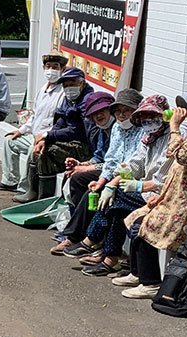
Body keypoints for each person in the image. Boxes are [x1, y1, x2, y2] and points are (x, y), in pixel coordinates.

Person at [113, 88, 187, 298]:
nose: (186, 112)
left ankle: (150, 281)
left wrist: (174, 127)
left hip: (185, 200)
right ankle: (138, 273)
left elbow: (180, 155)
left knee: (144, 226)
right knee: (136, 220)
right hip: (170, 194)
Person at [64, 95, 183, 277]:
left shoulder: (172, 138)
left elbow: (162, 179)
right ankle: (109, 258)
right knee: (114, 204)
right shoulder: (149, 137)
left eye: (152, 115)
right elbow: (134, 162)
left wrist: (134, 185)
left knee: (116, 198)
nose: (147, 120)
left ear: (165, 115)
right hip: (143, 188)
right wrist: (113, 181)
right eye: (143, 116)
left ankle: (92, 240)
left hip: (159, 193)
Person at [50, 89, 144, 255]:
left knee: (97, 194)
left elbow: (133, 164)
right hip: (115, 173)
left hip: (132, 178)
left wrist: (107, 182)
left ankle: (82, 239)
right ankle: (85, 235)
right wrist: (97, 177)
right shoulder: (115, 129)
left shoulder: (141, 131)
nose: (121, 115)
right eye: (119, 111)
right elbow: (108, 158)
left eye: (126, 111)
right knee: (80, 180)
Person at [12, 67, 94, 203]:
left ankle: (45, 199)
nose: (69, 88)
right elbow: (60, 122)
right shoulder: (69, 99)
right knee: (39, 149)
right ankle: (33, 192)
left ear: (82, 83)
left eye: (72, 83)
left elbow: (77, 131)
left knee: (47, 154)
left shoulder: (87, 100)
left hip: (85, 145)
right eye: (66, 85)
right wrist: (46, 139)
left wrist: (48, 136)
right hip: (70, 141)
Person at [0, 51, 67, 193]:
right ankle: (10, 181)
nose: (51, 70)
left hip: (48, 138)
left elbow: (60, 123)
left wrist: (45, 137)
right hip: (34, 135)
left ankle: (25, 188)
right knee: (10, 141)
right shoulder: (42, 90)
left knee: (30, 152)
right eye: (48, 66)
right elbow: (35, 116)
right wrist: (21, 130)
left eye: (55, 66)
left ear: (62, 69)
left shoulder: (63, 92)